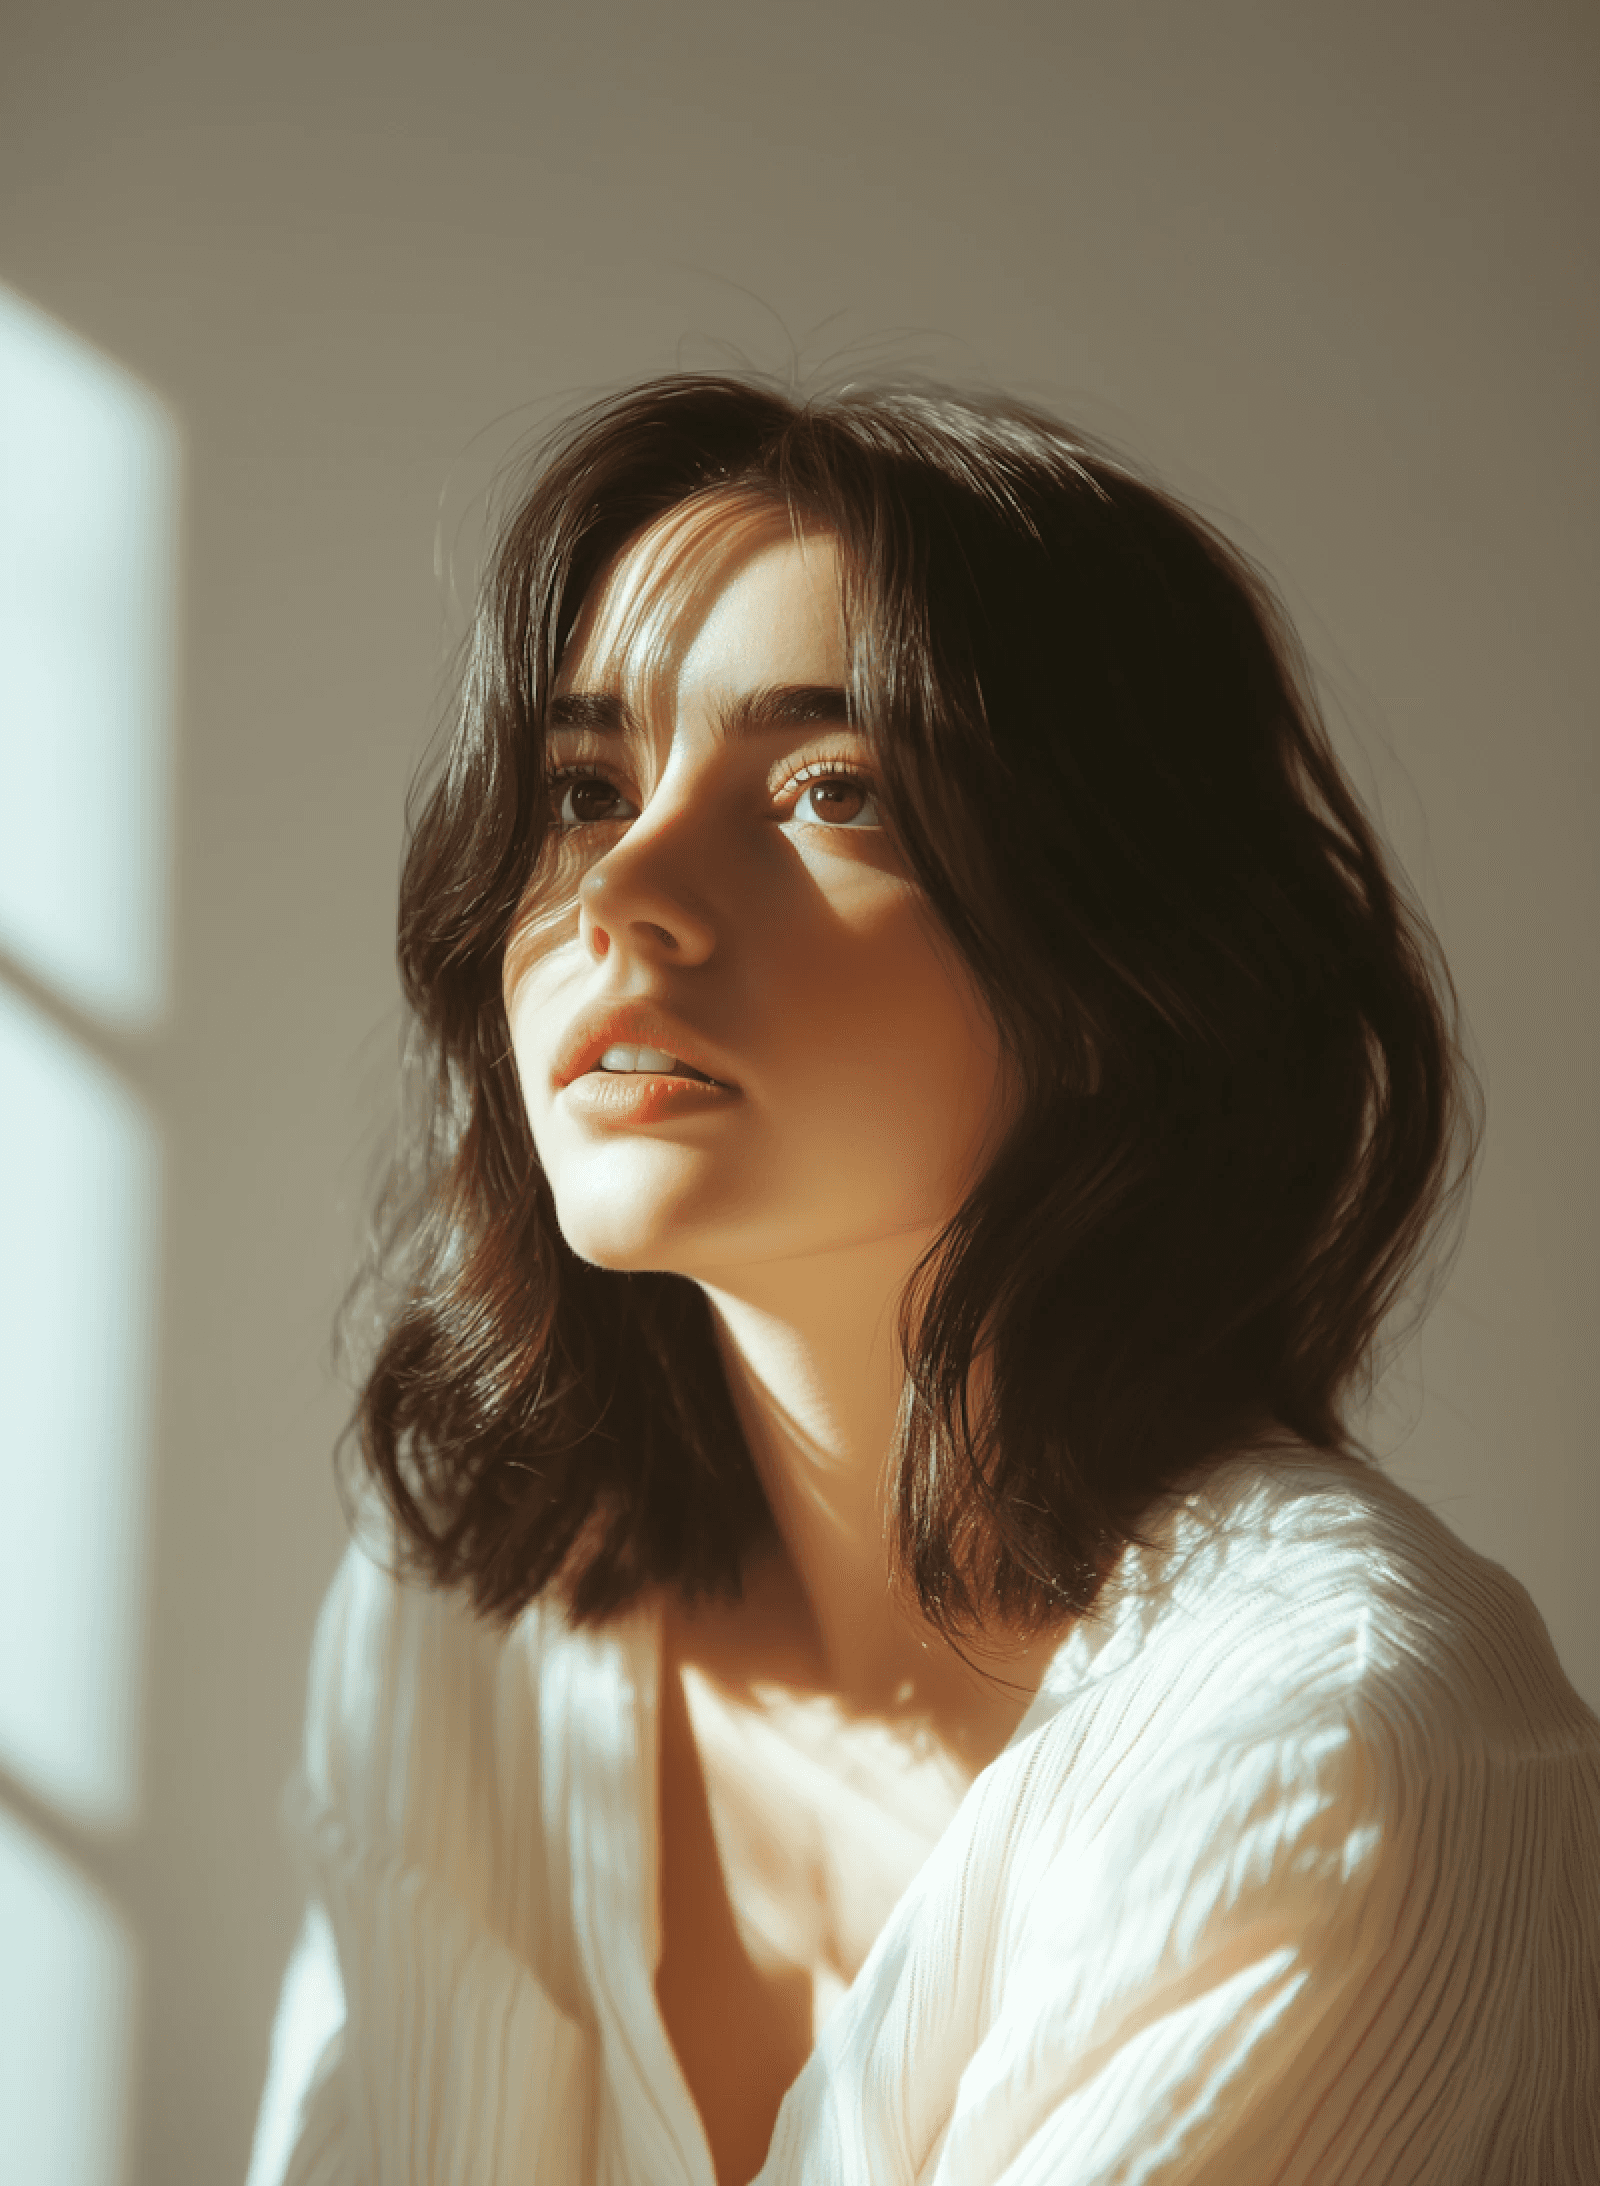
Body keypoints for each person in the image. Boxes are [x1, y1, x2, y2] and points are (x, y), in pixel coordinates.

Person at [247, 376, 1600, 2186]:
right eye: (585, 787)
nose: (623, 893)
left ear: (1122, 975)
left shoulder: (1332, 1736)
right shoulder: (464, 1617)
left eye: (829, 789)